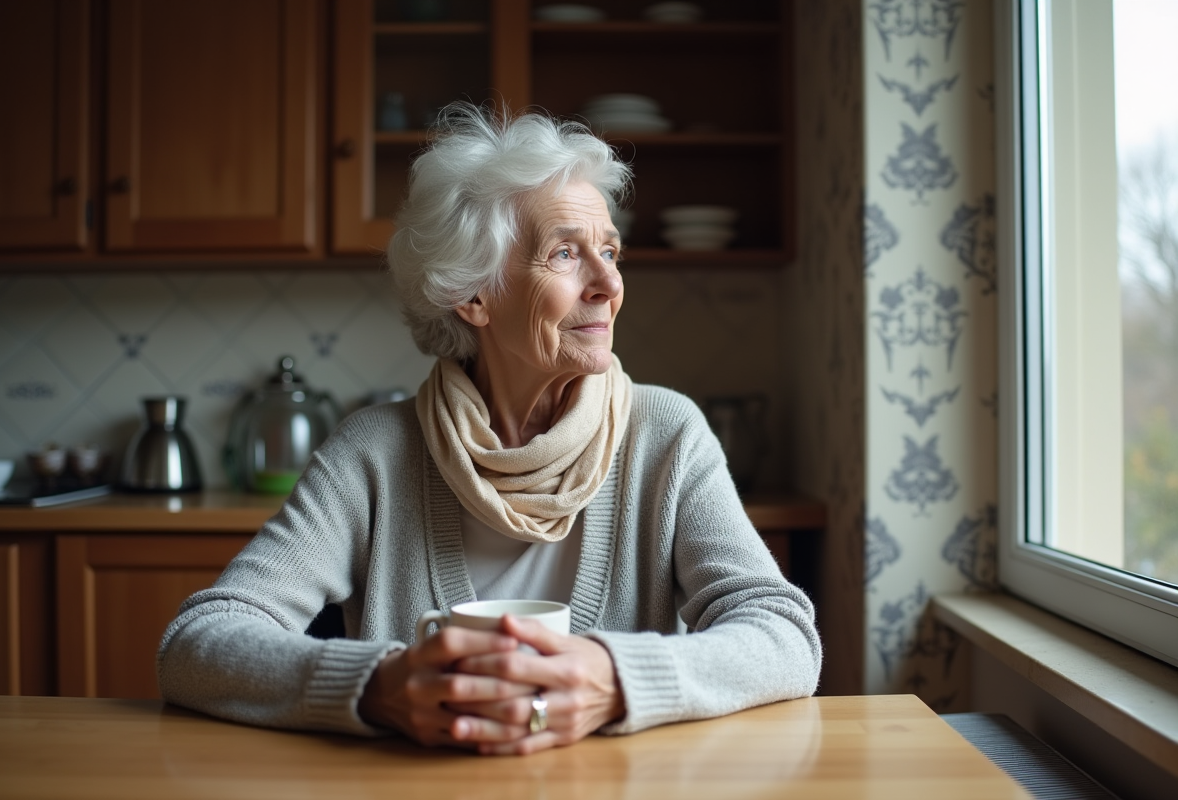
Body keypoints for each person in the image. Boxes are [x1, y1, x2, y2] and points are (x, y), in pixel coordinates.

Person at [157, 103, 821, 755]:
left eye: (610, 251)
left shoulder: (665, 435)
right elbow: (197, 641)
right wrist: (375, 687)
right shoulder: (375, 453)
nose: (608, 284)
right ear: (473, 294)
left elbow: (785, 637)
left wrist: (616, 679)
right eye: (566, 253)